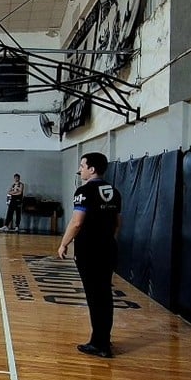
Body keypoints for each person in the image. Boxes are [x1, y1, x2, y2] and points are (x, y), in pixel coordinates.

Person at [58, 152, 122, 359]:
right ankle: (103, 337)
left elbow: (77, 222)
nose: (80, 169)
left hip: (90, 250)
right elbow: (117, 222)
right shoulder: (114, 191)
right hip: (108, 248)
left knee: (94, 296)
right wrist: (109, 240)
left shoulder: (84, 191)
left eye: (82, 165)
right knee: (104, 294)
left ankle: (99, 343)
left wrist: (64, 243)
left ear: (92, 169)